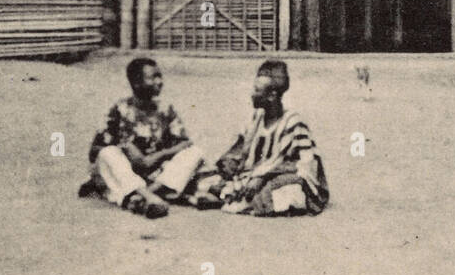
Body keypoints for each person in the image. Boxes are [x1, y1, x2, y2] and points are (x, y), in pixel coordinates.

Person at [78, 58, 219, 217]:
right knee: (108, 154)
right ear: (136, 83)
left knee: (195, 152)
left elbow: (185, 143)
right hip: (128, 172)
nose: (160, 82)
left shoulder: (165, 110)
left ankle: (143, 196)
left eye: (160, 76)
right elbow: (95, 151)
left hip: (157, 174)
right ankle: (150, 195)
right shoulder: (120, 110)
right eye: (153, 77)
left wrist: (157, 156)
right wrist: (124, 148)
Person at [212, 60, 329, 216]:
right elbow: (238, 151)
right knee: (212, 180)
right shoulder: (256, 119)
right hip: (253, 176)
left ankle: (253, 201)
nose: (252, 94)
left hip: (282, 178)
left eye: (257, 90)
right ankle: (247, 199)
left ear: (272, 96)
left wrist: (263, 177)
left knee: (285, 190)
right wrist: (229, 163)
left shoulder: (294, 122)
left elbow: (306, 165)